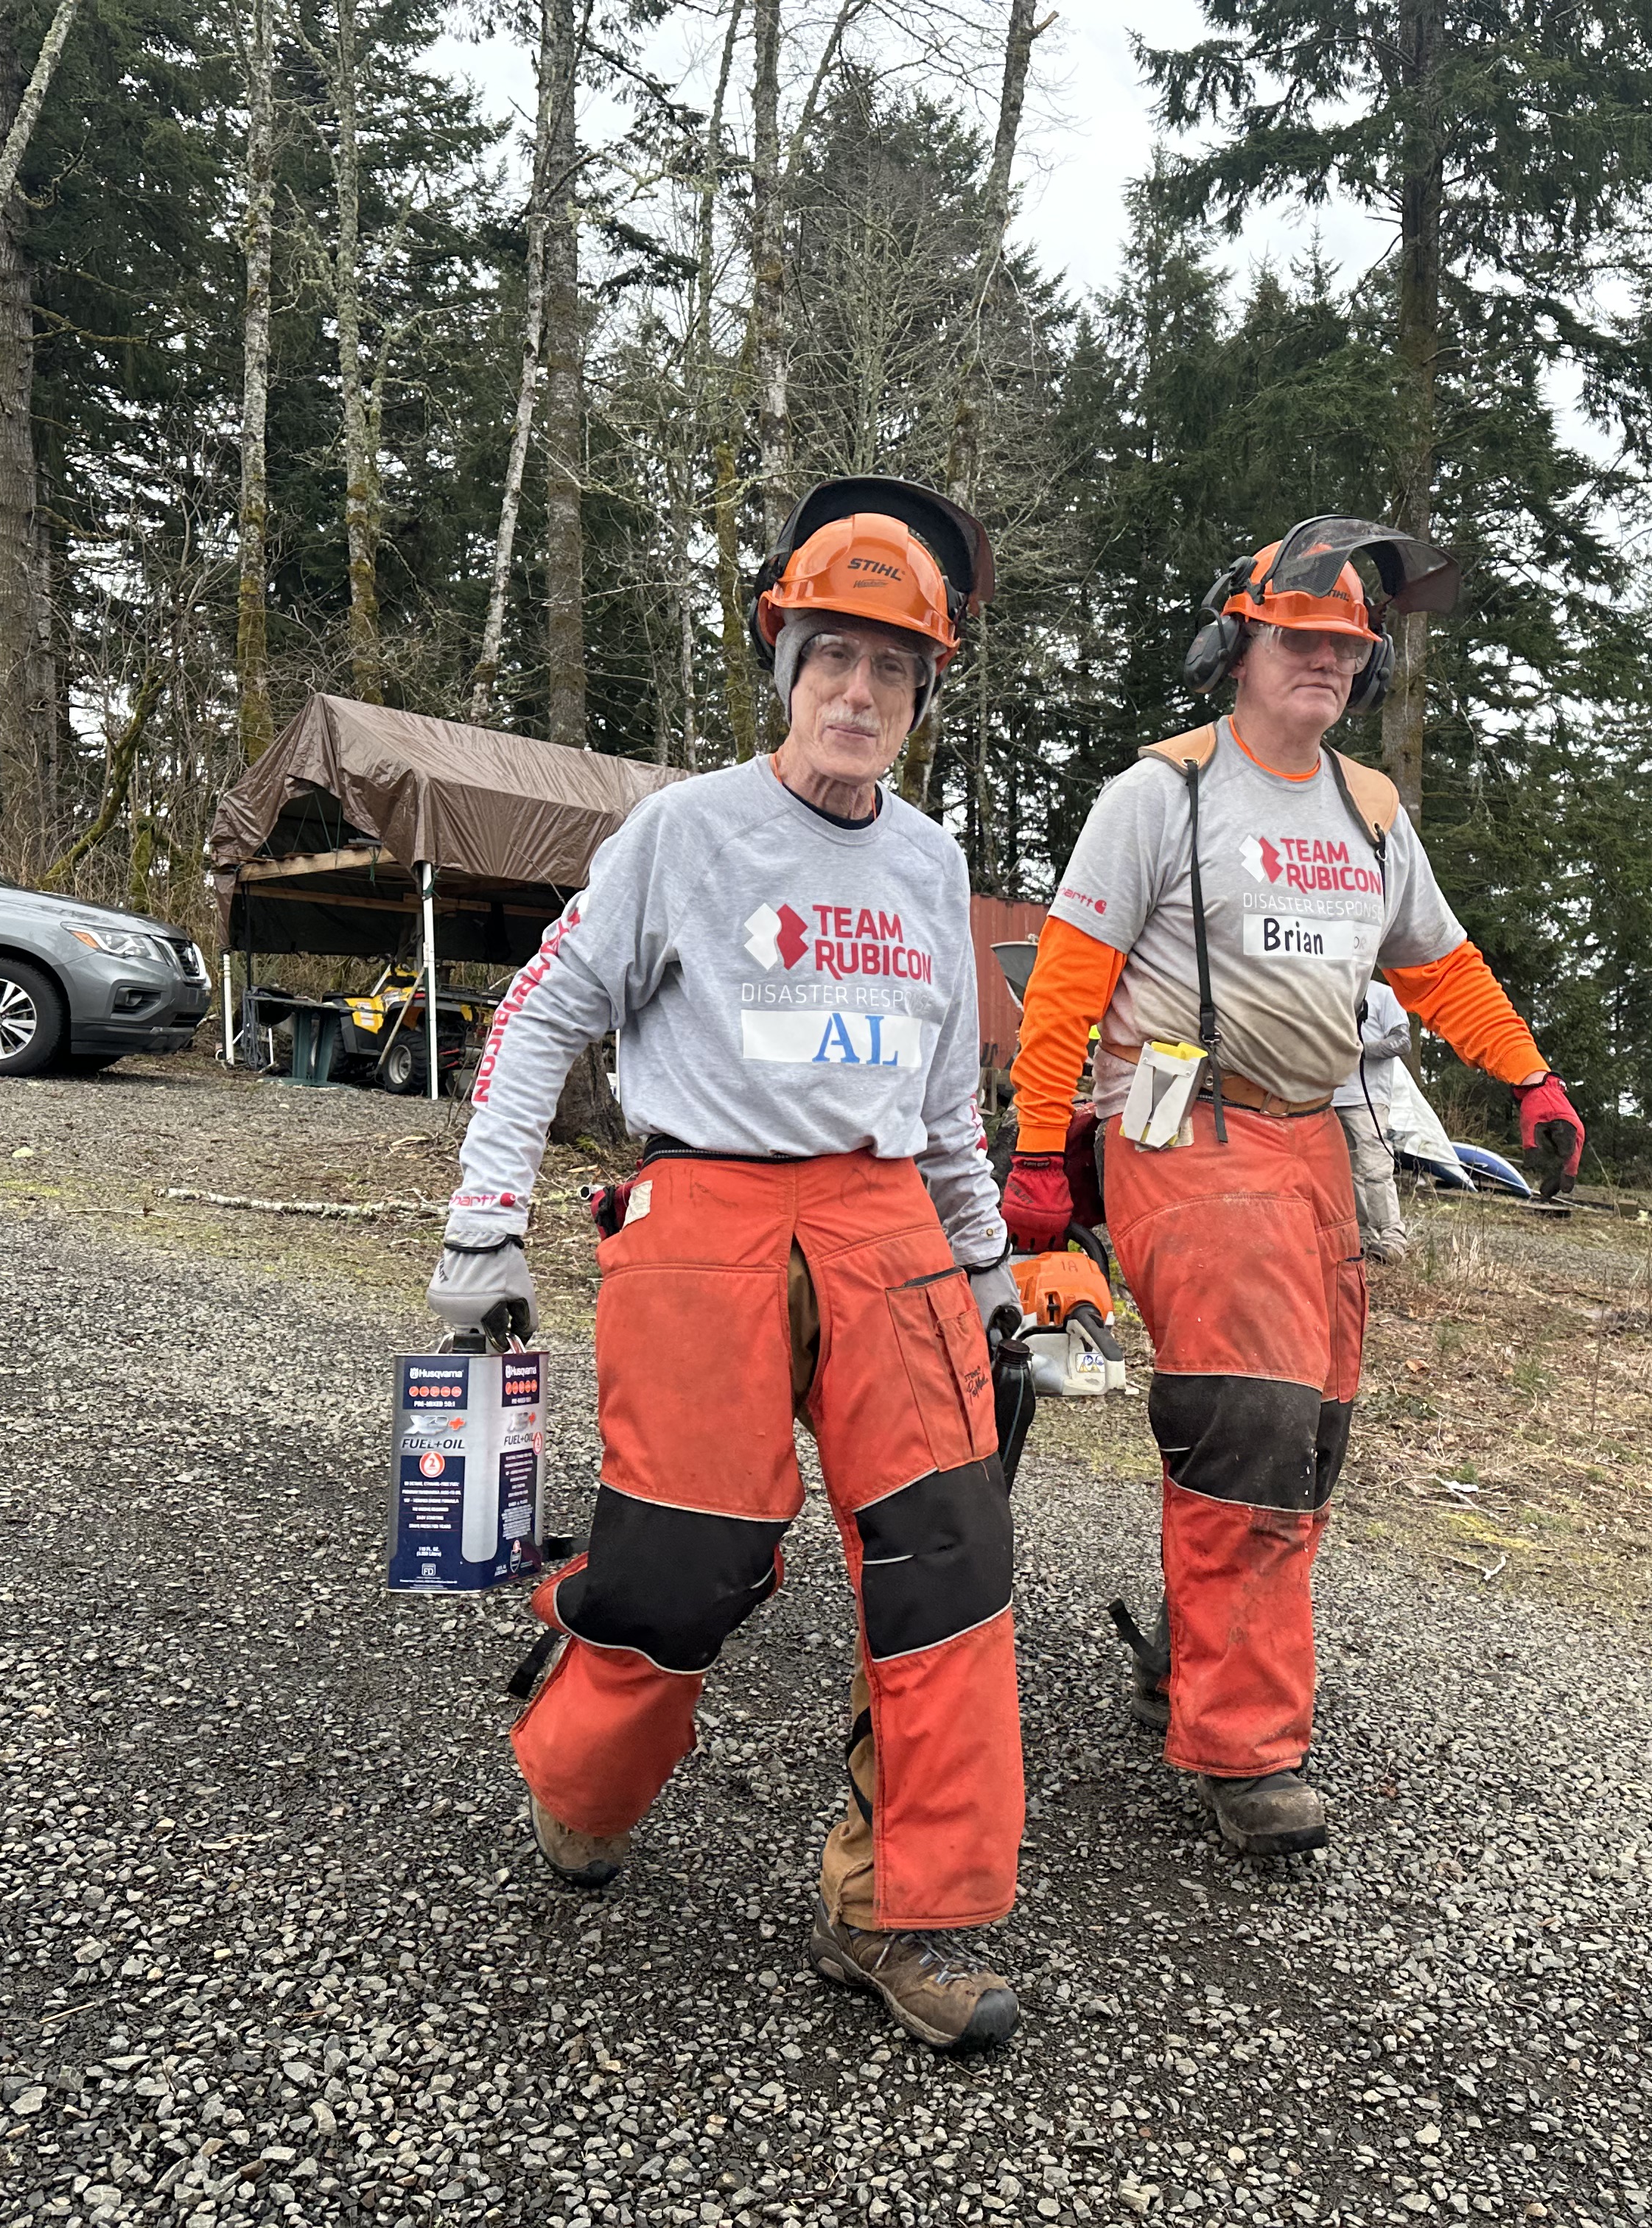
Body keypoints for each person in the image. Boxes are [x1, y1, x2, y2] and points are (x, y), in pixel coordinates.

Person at [426, 477, 1029, 2055]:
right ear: (785, 668)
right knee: (682, 1570)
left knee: (952, 1572)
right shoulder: (683, 832)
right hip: (706, 1220)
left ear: (922, 694)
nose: (858, 692)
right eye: (832, 657)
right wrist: (482, 1223)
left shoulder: (927, 865)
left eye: (892, 669)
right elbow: (546, 1011)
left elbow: (950, 1110)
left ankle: (900, 1911)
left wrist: (989, 1278)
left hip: (893, 1230)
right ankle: (582, 1781)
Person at [997, 517, 1584, 1857]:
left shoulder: (1368, 809)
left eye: (1345, 647)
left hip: (1319, 1133)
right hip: (1180, 1117)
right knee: (1249, 1414)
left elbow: (1438, 964)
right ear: (1240, 642)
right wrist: (1039, 1151)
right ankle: (1242, 1746)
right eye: (1298, 638)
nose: (1322, 661)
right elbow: (1070, 984)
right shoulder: (1165, 792)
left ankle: (1199, 1656)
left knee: (1306, 1435)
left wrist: (1529, 1075)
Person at [1334, 980, 1414, 1262]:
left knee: (1376, 1168)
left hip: (1368, 1098)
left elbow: (1403, 1041)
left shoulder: (1382, 994)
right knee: (1345, 1174)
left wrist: (1360, 1050)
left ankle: (1392, 1240)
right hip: (1329, 1097)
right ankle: (1363, 1238)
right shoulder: (1332, 989)